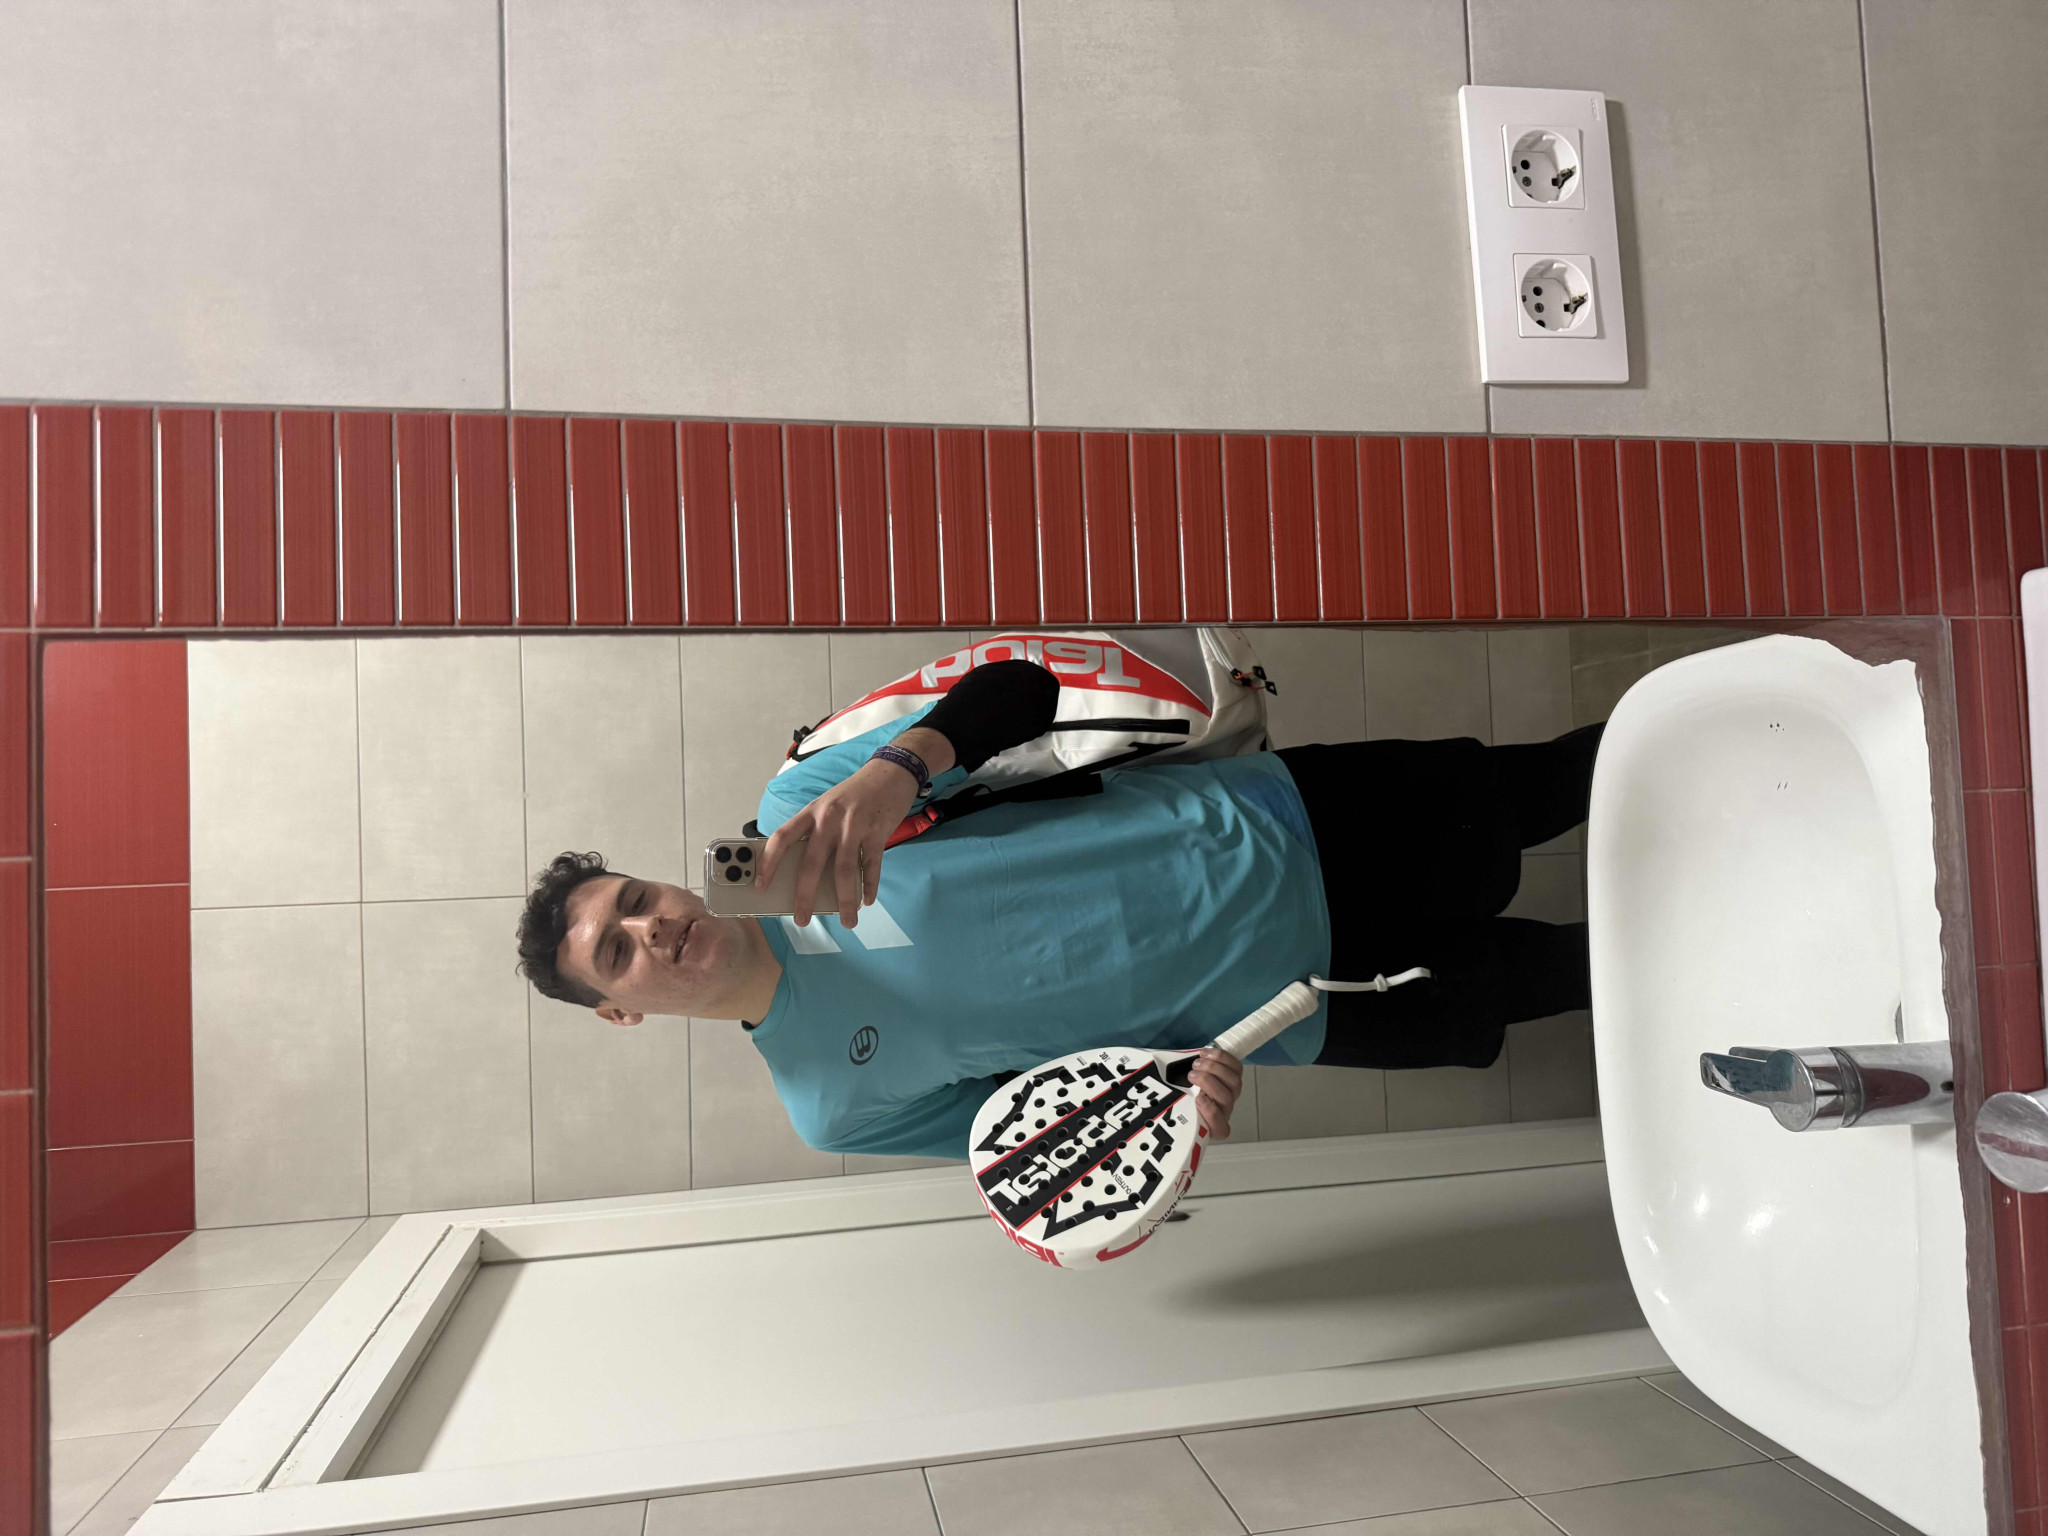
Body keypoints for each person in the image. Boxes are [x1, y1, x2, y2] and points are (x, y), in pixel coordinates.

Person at [515, 653, 1600, 1161]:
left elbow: (1025, 689)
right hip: (1304, 1007)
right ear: (622, 1010)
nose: (653, 928)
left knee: (1580, 777)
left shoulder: (802, 815)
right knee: (1595, 972)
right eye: (617, 952)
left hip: (1288, 820)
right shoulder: (831, 1110)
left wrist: (899, 769)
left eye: (637, 900)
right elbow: (1057, 1134)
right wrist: (1173, 1108)